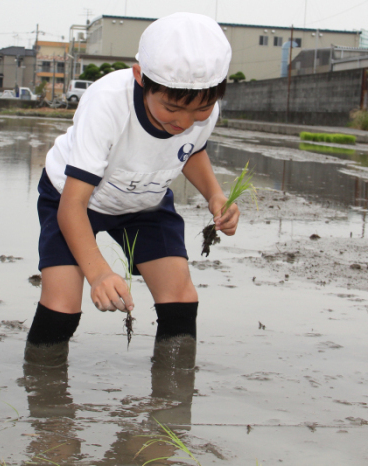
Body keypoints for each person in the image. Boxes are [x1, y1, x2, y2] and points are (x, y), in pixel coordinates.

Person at [25, 12, 237, 365]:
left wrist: (215, 194)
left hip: (145, 199)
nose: (183, 123)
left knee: (181, 299)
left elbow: (192, 151)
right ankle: (45, 400)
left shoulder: (204, 109)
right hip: (76, 199)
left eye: (200, 110)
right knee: (62, 304)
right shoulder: (107, 102)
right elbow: (72, 206)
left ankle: (172, 398)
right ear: (140, 77)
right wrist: (99, 272)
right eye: (171, 108)